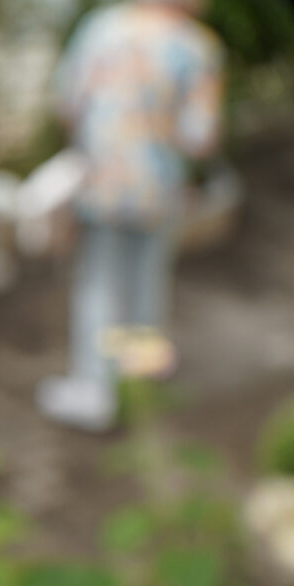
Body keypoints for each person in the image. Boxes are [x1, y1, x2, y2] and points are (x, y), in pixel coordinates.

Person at [37, 0, 224, 431]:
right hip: (160, 187)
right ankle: (138, 387)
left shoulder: (104, 26)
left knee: (99, 285)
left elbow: (68, 102)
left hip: (104, 179)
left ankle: (95, 391)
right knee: (147, 282)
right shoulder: (198, 46)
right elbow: (201, 136)